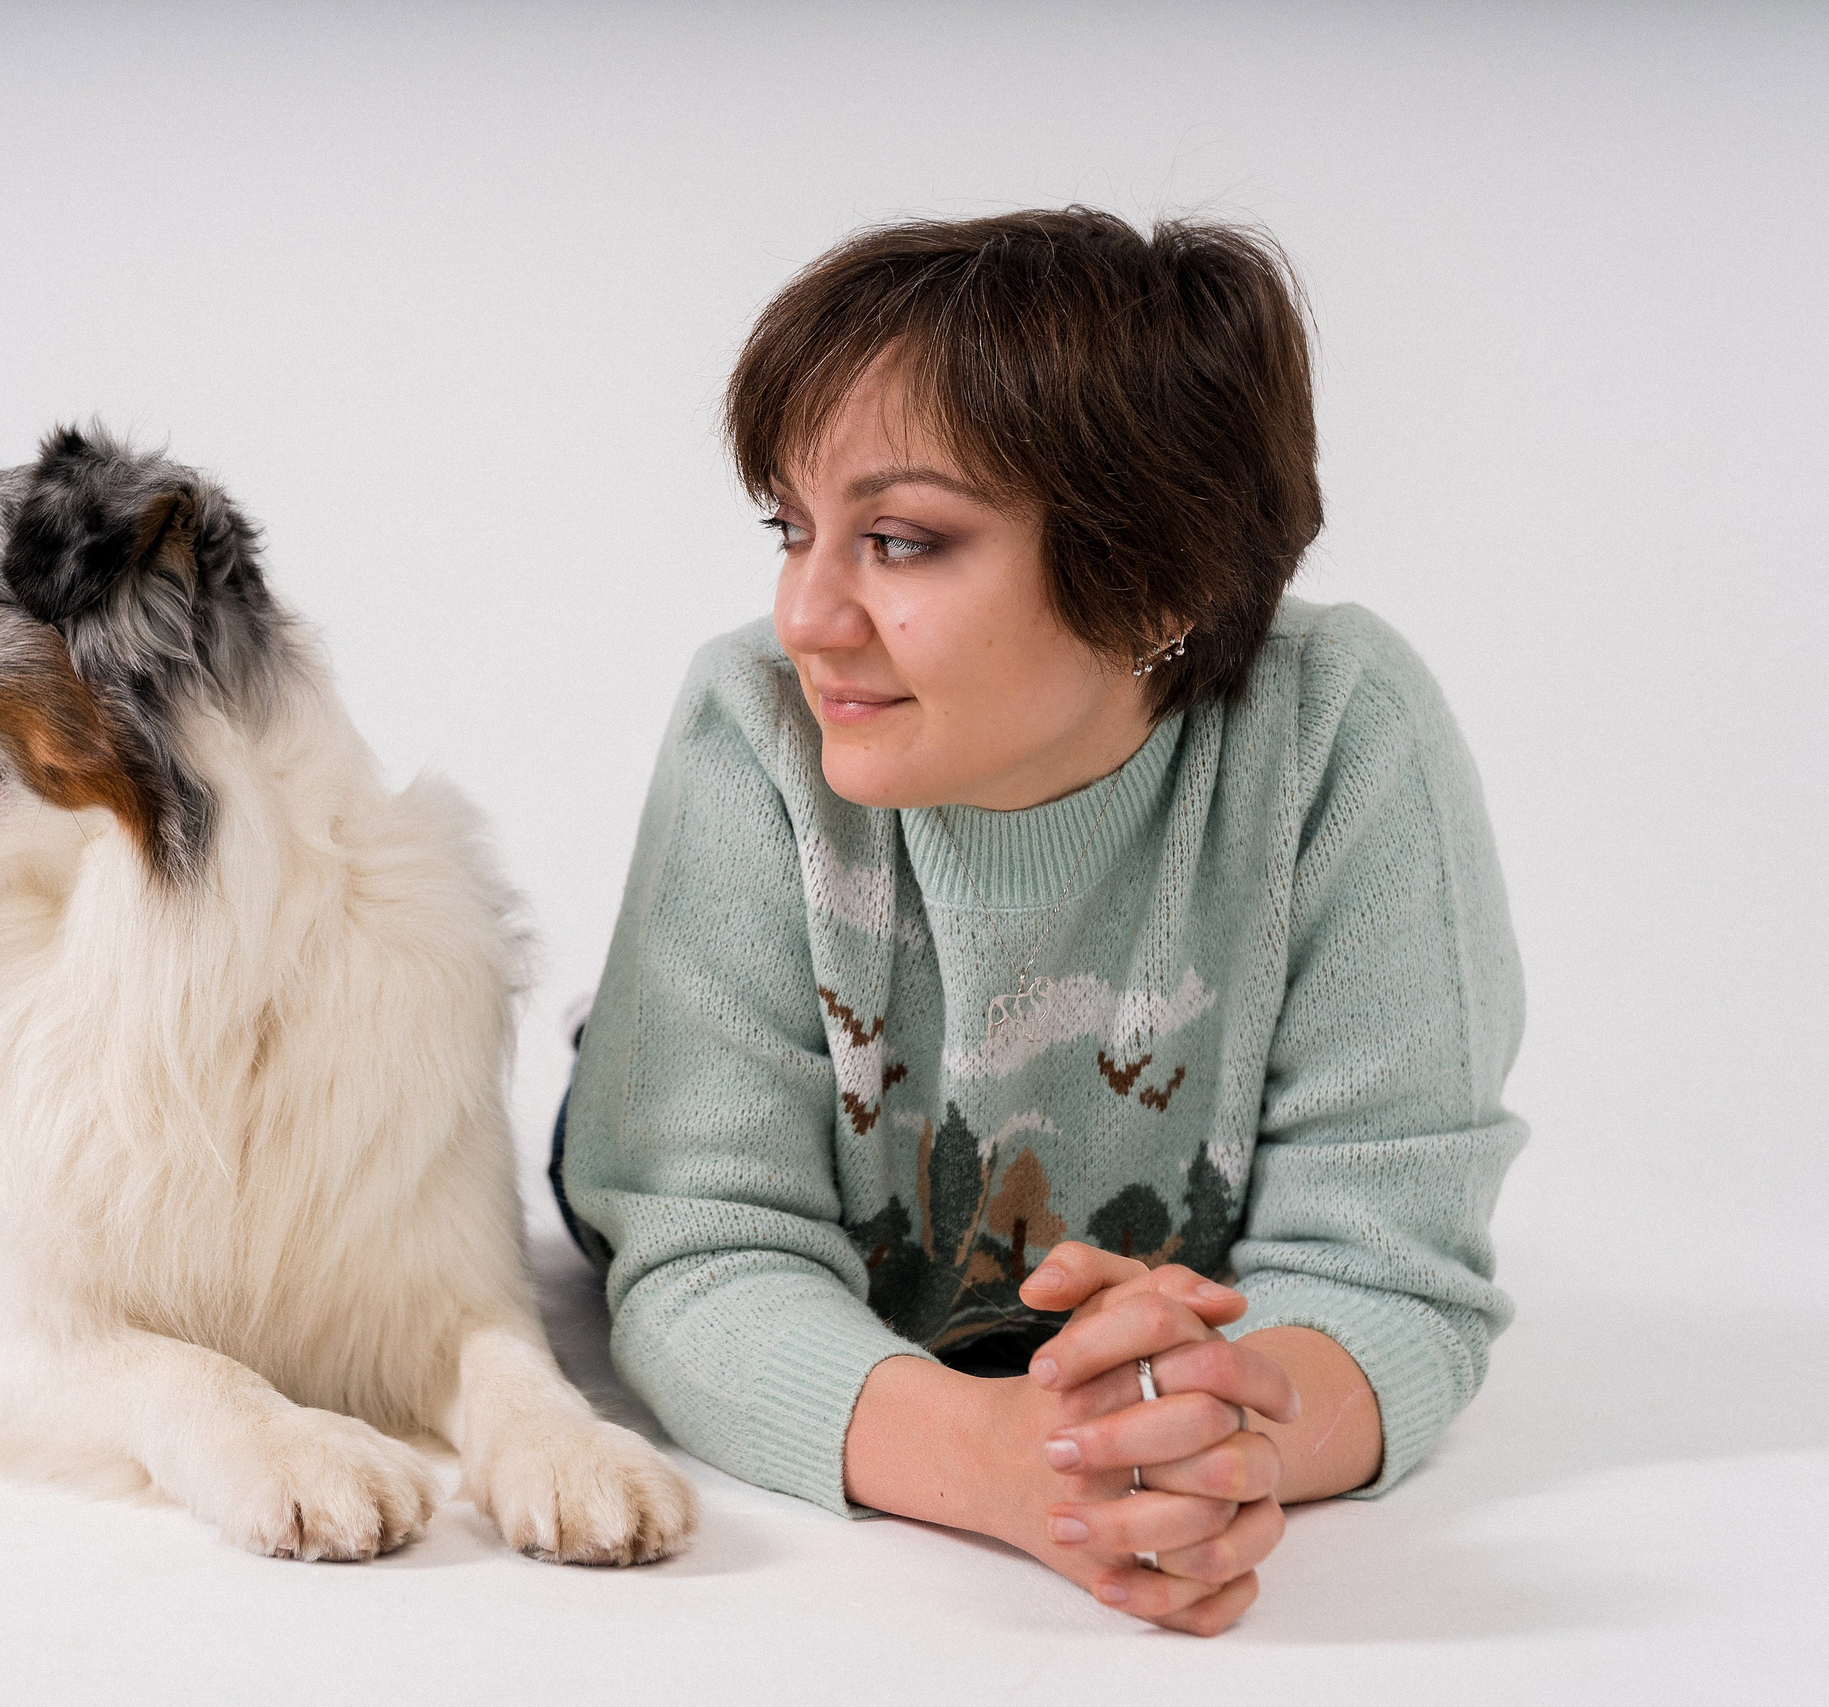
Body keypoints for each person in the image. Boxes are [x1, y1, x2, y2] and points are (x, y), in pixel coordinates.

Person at [552, 208, 1524, 1635]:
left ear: (1160, 576)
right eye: (793, 529)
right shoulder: (749, 727)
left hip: (1132, 1302)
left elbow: (1394, 1263)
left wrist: (1233, 1437)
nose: (807, 613)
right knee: (636, 1163)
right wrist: (1025, 1469)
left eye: (899, 540)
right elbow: (708, 1256)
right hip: (717, 1148)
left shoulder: (1339, 734)